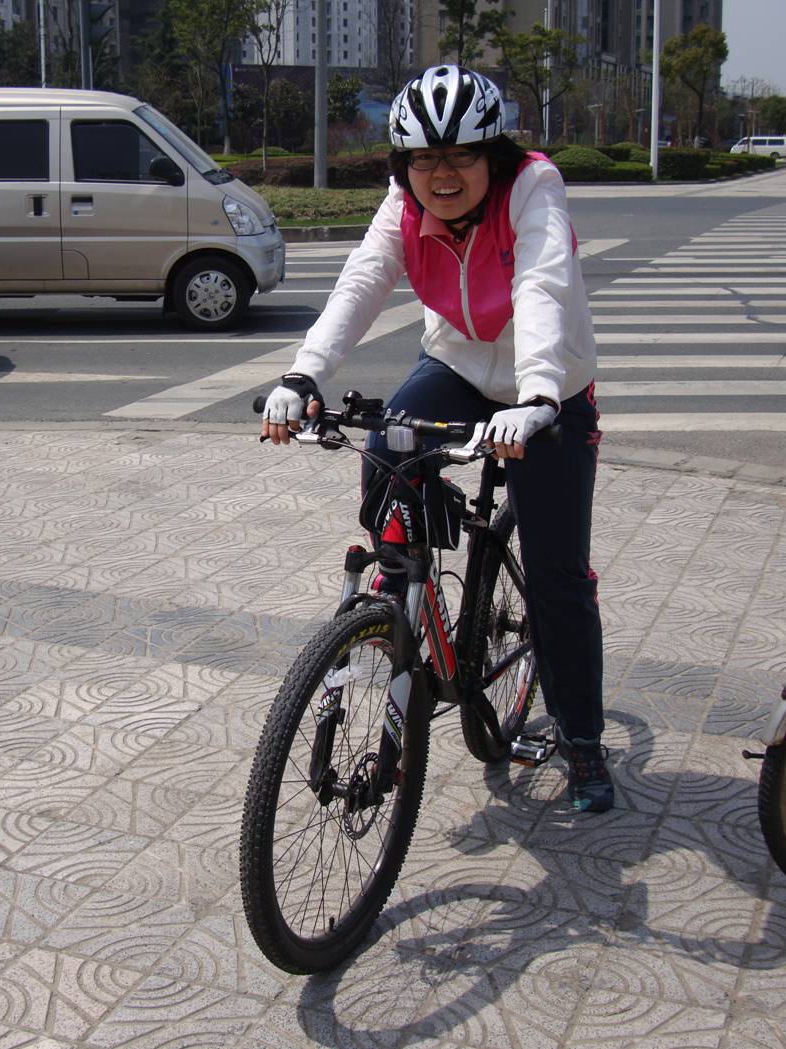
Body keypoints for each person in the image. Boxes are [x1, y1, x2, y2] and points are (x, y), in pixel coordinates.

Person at [259, 65, 612, 814]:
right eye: (424, 159)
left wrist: (540, 393)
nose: (441, 175)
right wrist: (303, 374)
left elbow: (542, 286)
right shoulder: (403, 203)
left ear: (495, 156)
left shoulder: (532, 190)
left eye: (459, 157)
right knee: (387, 447)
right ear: (403, 165)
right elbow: (361, 280)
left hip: (546, 388)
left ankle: (582, 743)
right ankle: (400, 590)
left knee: (556, 577)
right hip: (454, 363)